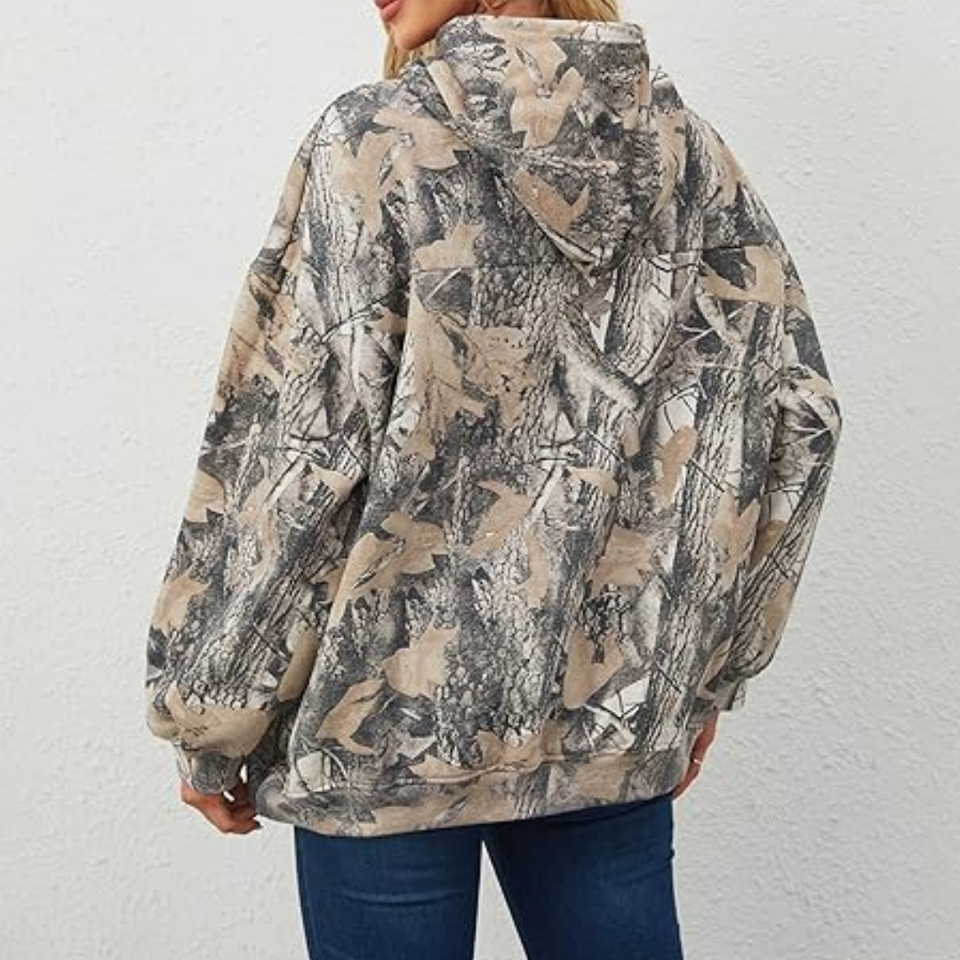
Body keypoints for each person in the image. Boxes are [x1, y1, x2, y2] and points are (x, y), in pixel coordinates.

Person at [143, 0, 843, 956]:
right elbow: (800, 419)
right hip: (606, 730)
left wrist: (211, 712)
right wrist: (704, 673)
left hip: (380, 735)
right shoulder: (693, 159)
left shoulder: (376, 142)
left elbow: (298, 453)